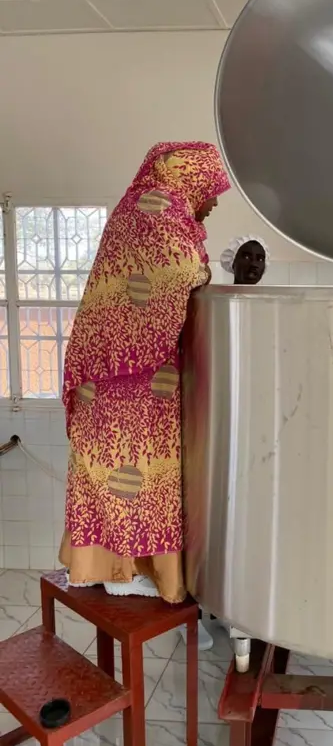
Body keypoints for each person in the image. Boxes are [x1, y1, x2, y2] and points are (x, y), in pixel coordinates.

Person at [60, 141, 231, 651]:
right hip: (121, 380)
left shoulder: (156, 207)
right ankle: (120, 572)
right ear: (189, 179)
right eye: (211, 191)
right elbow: (180, 273)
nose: (214, 203)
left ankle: (135, 573)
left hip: (135, 377)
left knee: (143, 480)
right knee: (130, 477)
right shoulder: (153, 210)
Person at [177, 234, 269, 651]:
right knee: (211, 521)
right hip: (215, 427)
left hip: (257, 431)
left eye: (260, 257)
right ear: (233, 262)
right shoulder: (212, 302)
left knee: (250, 526)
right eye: (247, 256)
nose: (253, 262)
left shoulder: (270, 309)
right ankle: (202, 609)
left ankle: (243, 610)